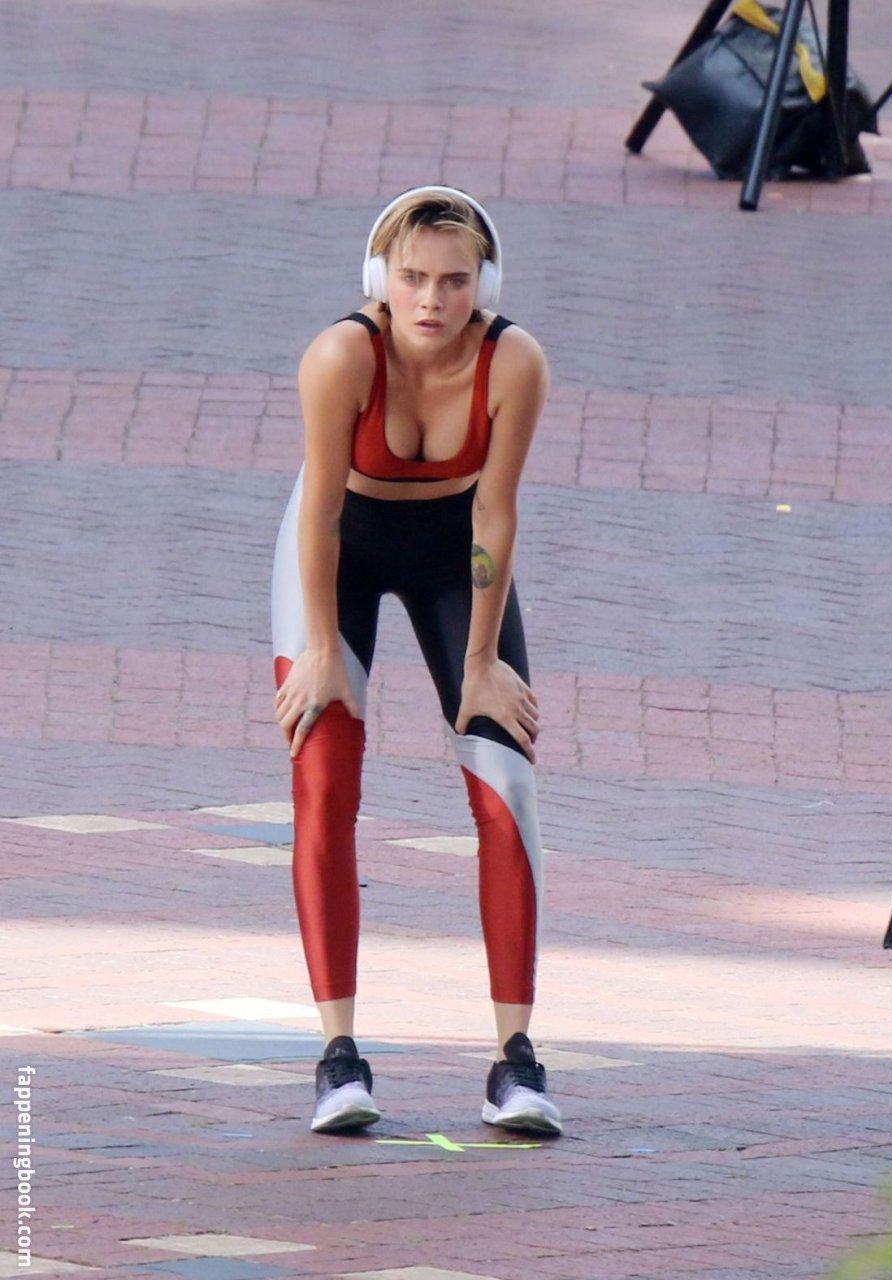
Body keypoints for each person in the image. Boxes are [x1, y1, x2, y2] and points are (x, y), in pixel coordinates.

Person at [270, 187, 560, 1137]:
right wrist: (321, 648)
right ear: (380, 278)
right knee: (324, 776)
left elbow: (496, 514)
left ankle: (516, 1062)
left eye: (454, 280)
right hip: (337, 554)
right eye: (413, 278)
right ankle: (338, 1057)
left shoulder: (514, 361)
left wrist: (481, 663)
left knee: (505, 782)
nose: (432, 299)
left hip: (453, 555)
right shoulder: (340, 355)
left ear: (485, 284)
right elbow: (319, 513)